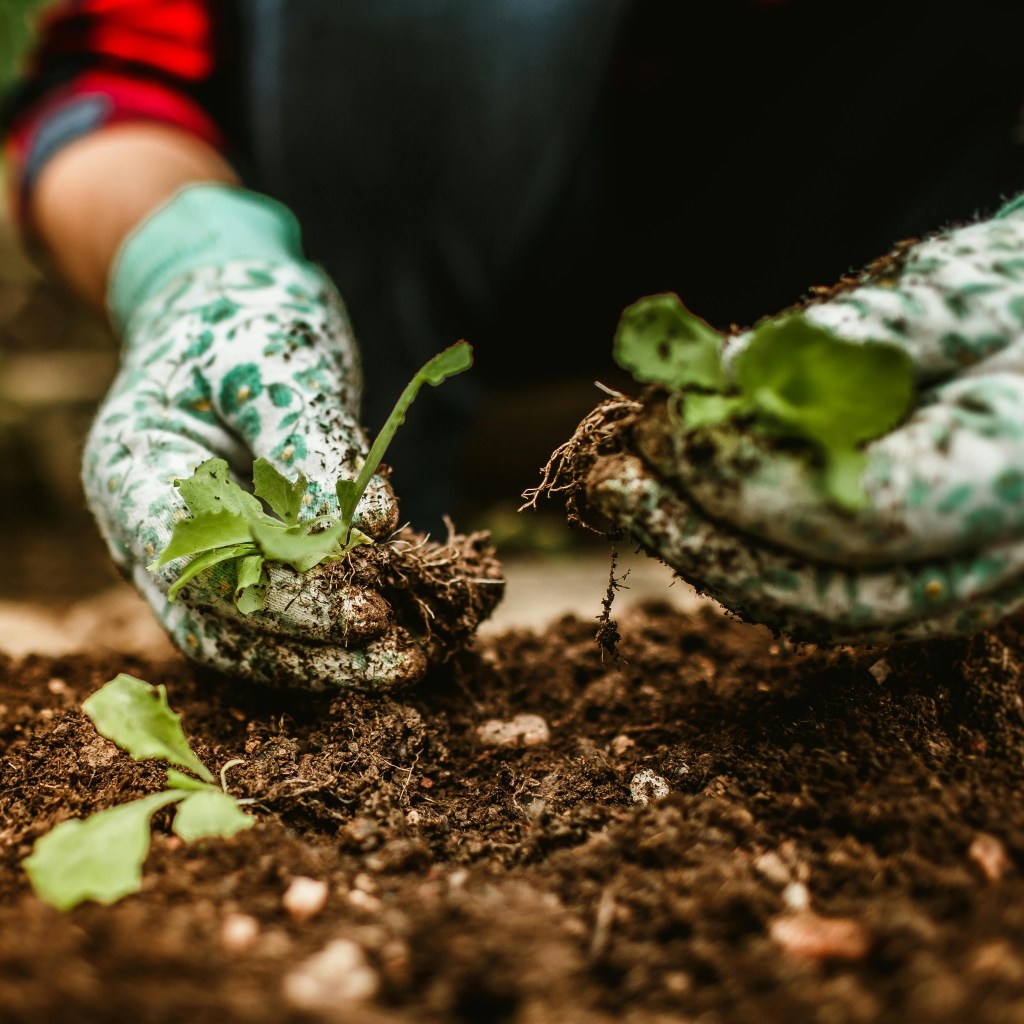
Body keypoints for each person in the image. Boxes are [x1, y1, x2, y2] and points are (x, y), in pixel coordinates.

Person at [4, 0, 1024, 687]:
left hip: (891, 206)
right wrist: (191, 262)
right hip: (417, 245)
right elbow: (105, 90)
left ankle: (907, 430)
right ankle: (383, 531)